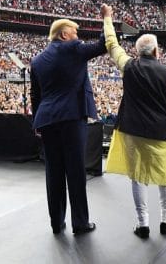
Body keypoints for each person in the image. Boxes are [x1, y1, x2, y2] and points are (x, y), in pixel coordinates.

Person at [101, 4, 166, 239]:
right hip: (160, 132)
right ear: (157, 51)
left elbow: (112, 45)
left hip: (132, 131)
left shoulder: (128, 66)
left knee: (137, 177)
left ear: (137, 52)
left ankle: (142, 224)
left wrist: (108, 19)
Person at [30, 17, 106, 235]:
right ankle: (80, 223)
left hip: (46, 120)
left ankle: (56, 222)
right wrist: (107, 18)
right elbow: (102, 45)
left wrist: (37, 120)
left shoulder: (37, 60)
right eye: (75, 32)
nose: (78, 37)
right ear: (64, 35)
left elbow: (35, 94)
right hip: (71, 118)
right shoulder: (72, 49)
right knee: (75, 171)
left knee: (53, 172)